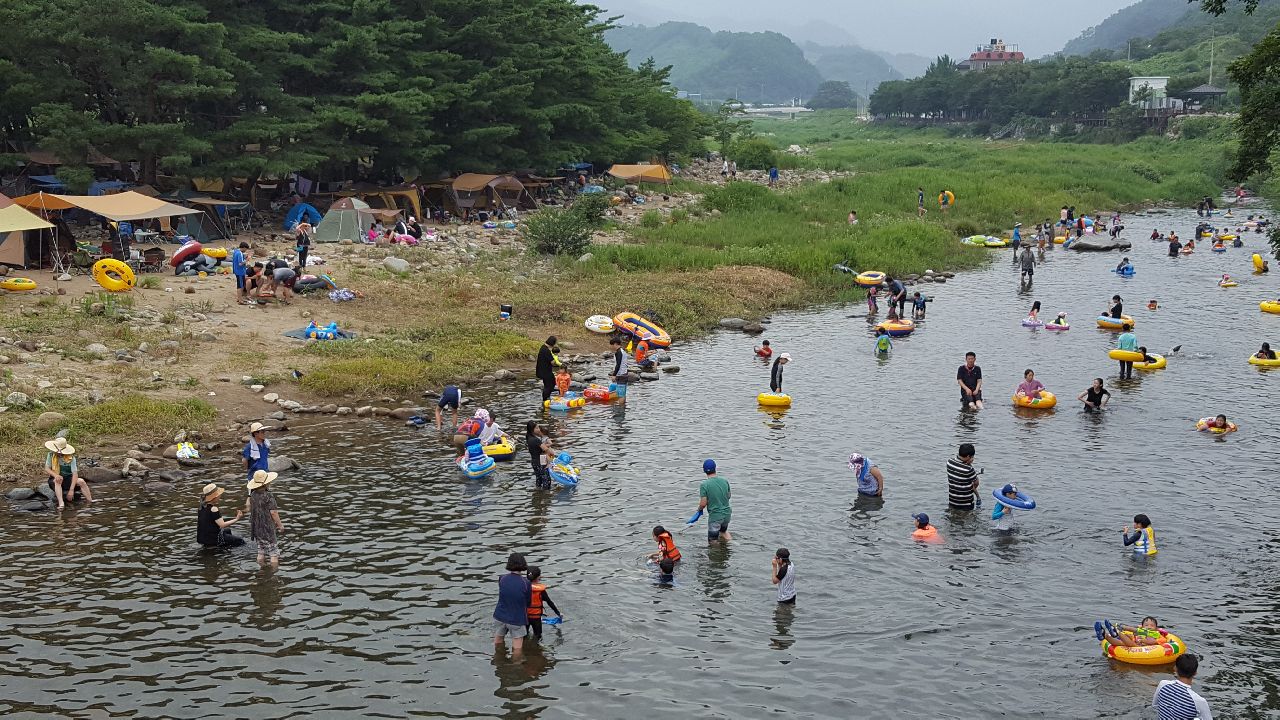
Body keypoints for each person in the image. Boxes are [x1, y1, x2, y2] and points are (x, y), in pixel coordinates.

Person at [1153, 654, 1214, 720]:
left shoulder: (1163, 685)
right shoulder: (1199, 701)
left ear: (1175, 668)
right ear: (1195, 673)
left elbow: (1155, 705)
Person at [493, 553, 531, 654]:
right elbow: (528, 602)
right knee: (517, 648)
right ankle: (516, 665)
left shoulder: (502, 578)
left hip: (500, 615)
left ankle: (498, 657)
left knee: (498, 640)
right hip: (516, 619)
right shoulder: (526, 583)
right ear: (523, 564)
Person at [245, 470, 283, 566]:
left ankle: (261, 571)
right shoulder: (269, 496)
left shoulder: (253, 495)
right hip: (267, 528)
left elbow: (250, 508)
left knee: (260, 551)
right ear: (267, 483)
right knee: (273, 554)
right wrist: (280, 525)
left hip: (256, 527)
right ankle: (273, 575)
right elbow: (274, 513)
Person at [43, 437, 92, 510]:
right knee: (58, 479)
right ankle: (61, 503)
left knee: (81, 481)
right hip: (55, 479)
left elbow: (74, 474)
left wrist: (71, 490)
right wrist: (56, 475)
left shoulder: (71, 458)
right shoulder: (51, 455)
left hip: (68, 479)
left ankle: (90, 500)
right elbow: (47, 468)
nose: (59, 453)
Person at [197, 483, 245, 548]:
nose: (220, 496)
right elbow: (222, 525)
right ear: (215, 497)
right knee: (240, 541)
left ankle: (225, 547)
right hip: (213, 538)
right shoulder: (213, 509)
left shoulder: (201, 507)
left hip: (203, 538)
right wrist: (237, 518)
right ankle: (225, 550)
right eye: (219, 495)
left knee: (228, 530)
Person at [696, 459, 732, 543]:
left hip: (715, 516)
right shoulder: (724, 481)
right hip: (727, 514)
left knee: (713, 541)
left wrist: (699, 510)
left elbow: (703, 503)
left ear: (704, 470)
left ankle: (717, 555)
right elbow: (729, 496)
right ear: (715, 468)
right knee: (723, 532)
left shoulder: (704, 485)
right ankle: (733, 544)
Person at [525, 566, 561, 641]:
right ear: (538, 577)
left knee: (524, 635)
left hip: (525, 617)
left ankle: (525, 647)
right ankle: (537, 649)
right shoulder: (541, 591)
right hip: (536, 618)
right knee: (538, 636)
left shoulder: (523, 588)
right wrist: (558, 613)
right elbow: (549, 602)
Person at [1094, 616, 1167, 648]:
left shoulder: (1157, 635)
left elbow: (1160, 641)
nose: (1149, 627)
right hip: (1134, 644)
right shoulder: (1140, 632)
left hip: (1142, 648)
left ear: (1156, 628)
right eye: (1146, 625)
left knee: (1131, 644)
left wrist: (1146, 641)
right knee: (1122, 642)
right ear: (1142, 627)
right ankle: (1104, 635)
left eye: (1152, 625)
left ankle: (1117, 632)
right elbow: (1133, 633)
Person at [946, 443, 980, 510]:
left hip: (952, 501)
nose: (973, 459)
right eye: (972, 457)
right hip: (966, 503)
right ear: (968, 456)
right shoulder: (969, 469)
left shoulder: (949, 462)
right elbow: (976, 483)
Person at [525, 421, 552, 489]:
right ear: (532, 429)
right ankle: (546, 497)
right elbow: (546, 450)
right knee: (546, 481)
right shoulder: (536, 440)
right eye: (537, 428)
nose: (539, 429)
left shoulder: (529, 439)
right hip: (541, 462)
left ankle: (538, 495)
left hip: (534, 462)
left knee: (539, 480)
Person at [608, 337, 629, 404]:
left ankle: (620, 409)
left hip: (621, 375)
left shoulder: (619, 352)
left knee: (620, 395)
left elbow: (618, 364)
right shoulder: (622, 351)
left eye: (611, 345)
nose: (611, 347)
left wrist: (614, 375)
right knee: (623, 394)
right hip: (625, 374)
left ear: (615, 344)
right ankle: (623, 408)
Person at [536, 336, 557, 402]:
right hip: (546, 371)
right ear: (552, 343)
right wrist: (557, 360)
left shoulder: (542, 347)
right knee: (551, 384)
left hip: (541, 370)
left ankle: (546, 397)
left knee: (548, 384)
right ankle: (545, 399)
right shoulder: (546, 351)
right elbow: (553, 362)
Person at [232, 241, 253, 305]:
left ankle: (239, 298)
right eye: (246, 249)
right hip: (240, 271)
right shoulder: (240, 253)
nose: (246, 250)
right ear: (243, 247)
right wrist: (247, 260)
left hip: (236, 270)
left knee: (240, 284)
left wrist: (245, 258)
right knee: (240, 285)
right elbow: (240, 263)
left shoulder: (236, 251)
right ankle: (240, 300)